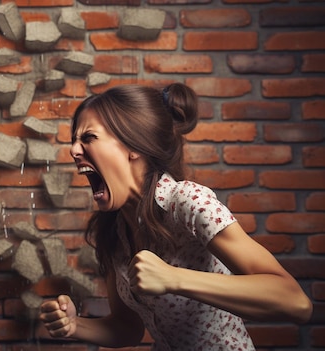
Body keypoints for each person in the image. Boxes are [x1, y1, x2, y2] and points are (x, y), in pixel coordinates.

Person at [39, 83, 312, 350]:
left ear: (132, 145)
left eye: (88, 138)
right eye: (73, 141)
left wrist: (174, 278)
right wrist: (75, 326)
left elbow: (295, 302)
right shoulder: (113, 230)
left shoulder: (188, 201)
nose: (74, 150)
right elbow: (127, 328)